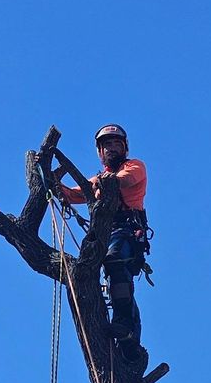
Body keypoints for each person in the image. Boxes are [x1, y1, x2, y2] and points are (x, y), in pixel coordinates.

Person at [60, 124, 148, 356]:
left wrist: (102, 182)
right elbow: (74, 194)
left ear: (125, 147)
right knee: (93, 272)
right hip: (104, 232)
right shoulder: (100, 179)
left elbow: (125, 180)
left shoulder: (134, 166)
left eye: (116, 143)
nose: (111, 148)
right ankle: (117, 327)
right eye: (106, 144)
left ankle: (126, 326)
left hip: (127, 229)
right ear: (100, 151)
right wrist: (52, 182)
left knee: (116, 262)